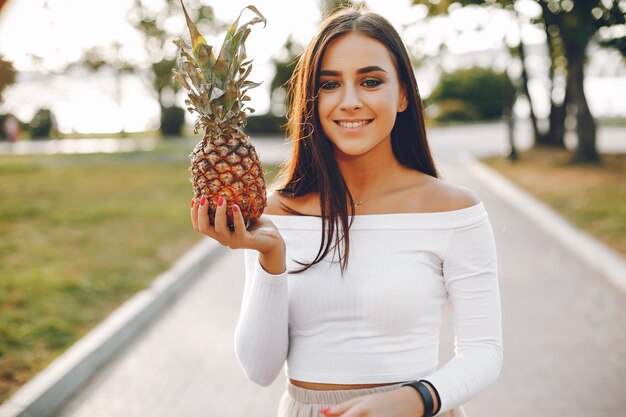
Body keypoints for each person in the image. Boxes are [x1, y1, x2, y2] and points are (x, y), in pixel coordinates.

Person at [191, 7, 502, 417]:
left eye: (371, 81)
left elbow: (484, 353)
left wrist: (415, 398)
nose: (350, 102)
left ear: (405, 94)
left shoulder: (454, 211)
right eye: (330, 84)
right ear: (311, 99)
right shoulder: (275, 212)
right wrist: (271, 260)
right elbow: (259, 369)